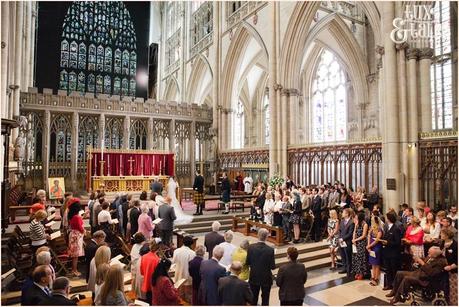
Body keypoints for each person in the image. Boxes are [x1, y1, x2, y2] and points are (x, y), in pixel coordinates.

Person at [246, 228, 276, 306]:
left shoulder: (251, 247)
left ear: (258, 235)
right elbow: (273, 266)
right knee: (265, 299)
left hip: (254, 276)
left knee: (253, 298)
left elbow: (247, 262)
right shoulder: (270, 250)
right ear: (266, 237)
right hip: (266, 278)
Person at [380, 211, 402, 291]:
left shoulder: (396, 228)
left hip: (393, 253)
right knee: (388, 269)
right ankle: (389, 284)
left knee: (394, 270)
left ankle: (395, 286)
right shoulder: (388, 227)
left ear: (389, 219)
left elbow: (397, 242)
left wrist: (387, 242)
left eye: (386, 218)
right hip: (387, 252)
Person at [172, 236, 196, 304]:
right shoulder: (192, 253)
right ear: (191, 244)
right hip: (187, 276)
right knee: (188, 296)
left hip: (178, 275)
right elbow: (192, 266)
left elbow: (173, 262)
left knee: (179, 296)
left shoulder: (176, 251)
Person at [67, 198, 85, 277]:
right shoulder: (76, 217)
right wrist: (84, 231)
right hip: (76, 235)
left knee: (75, 254)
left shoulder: (72, 215)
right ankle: (74, 270)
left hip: (74, 234)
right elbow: (79, 227)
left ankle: (74, 269)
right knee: (75, 255)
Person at [441, 228, 458, 305]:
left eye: (442, 234)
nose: (441, 235)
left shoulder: (455, 245)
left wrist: (450, 267)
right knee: (445, 287)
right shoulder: (442, 242)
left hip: (453, 270)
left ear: (447, 236)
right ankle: (447, 301)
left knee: (453, 289)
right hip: (443, 269)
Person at [351, 212, 368, 280]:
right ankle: (357, 272)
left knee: (361, 258)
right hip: (356, 242)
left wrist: (356, 240)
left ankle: (361, 273)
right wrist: (353, 239)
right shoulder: (357, 223)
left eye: (357, 217)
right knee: (356, 258)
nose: (356, 218)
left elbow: (363, 235)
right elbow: (354, 232)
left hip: (362, 243)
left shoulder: (365, 224)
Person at [367, 215, 383, 286]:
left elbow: (377, 240)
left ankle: (376, 278)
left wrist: (369, 246)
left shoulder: (380, 230)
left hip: (377, 247)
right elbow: (369, 236)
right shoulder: (371, 229)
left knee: (377, 264)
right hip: (370, 247)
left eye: (372, 220)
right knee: (373, 264)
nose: (371, 222)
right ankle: (373, 277)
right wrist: (368, 246)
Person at [338, 208, 355, 276]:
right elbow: (340, 230)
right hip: (341, 241)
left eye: (343, 212)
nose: (342, 213)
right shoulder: (342, 221)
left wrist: (343, 238)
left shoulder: (351, 222)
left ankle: (349, 270)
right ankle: (344, 268)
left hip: (347, 242)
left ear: (347, 214)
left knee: (348, 256)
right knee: (343, 256)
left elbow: (350, 233)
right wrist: (340, 238)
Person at [131, 233, 147, 299]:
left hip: (134, 266)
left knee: (136, 282)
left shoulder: (134, 246)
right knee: (140, 282)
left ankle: (136, 293)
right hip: (140, 266)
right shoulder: (143, 247)